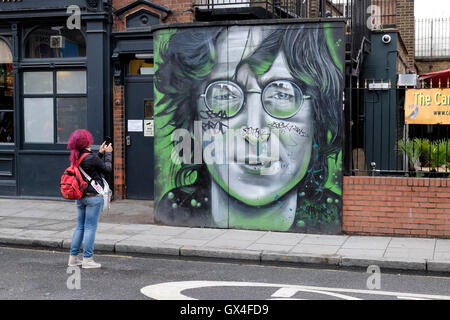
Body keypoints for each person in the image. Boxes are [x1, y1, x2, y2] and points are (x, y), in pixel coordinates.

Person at [154, 23, 343, 234]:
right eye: (224, 95)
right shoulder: (173, 207)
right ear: (193, 112)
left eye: (282, 94)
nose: (254, 132)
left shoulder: (330, 212)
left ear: (317, 117)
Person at [67, 129, 113, 268]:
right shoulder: (90, 157)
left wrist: (100, 153)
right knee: (90, 228)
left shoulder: (76, 156)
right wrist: (109, 154)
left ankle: (73, 259)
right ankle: (87, 259)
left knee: (80, 226)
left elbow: (91, 167)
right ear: (86, 141)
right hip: (93, 197)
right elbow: (107, 169)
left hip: (80, 196)